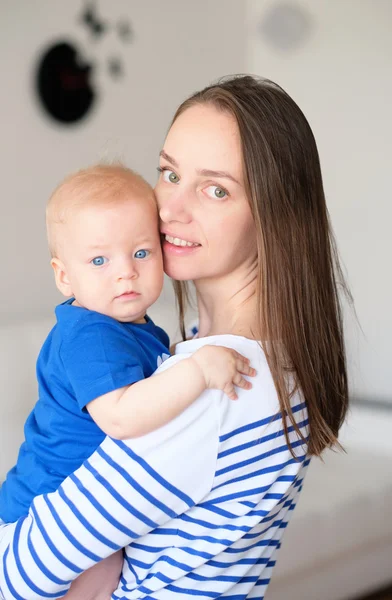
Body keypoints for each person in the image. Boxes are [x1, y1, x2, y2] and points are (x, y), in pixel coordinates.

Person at [0, 75, 349, 600]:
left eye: (216, 189)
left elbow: (19, 574)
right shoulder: (247, 357)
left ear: (275, 216)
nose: (169, 209)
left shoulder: (215, 384)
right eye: (169, 172)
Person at [0, 165, 256, 592]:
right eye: (99, 260)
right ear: (64, 276)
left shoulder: (129, 327)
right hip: (42, 512)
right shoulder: (89, 336)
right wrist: (196, 369)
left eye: (141, 253)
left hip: (81, 510)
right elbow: (122, 417)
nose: (125, 272)